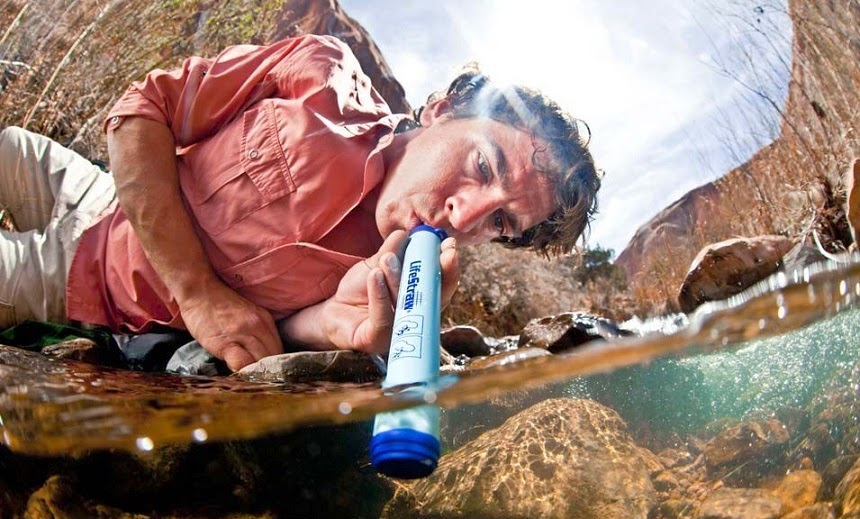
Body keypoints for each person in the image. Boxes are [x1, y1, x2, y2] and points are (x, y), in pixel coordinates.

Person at [0, 34, 600, 372]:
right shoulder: (321, 71)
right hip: (97, 190)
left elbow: (278, 333)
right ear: (442, 110)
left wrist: (342, 329)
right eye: (482, 166)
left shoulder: (399, 283)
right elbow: (141, 112)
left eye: (500, 221)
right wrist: (200, 294)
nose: (464, 217)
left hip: (83, 283)